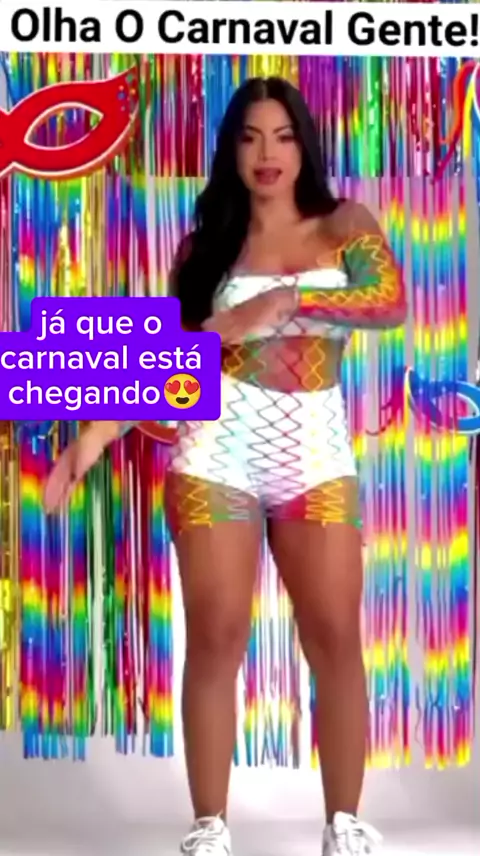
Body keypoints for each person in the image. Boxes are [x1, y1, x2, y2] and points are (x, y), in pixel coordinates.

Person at [44, 77, 407, 856]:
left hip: (316, 452)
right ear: (231, 150)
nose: (266, 152)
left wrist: (282, 304)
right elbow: (170, 363)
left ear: (304, 143)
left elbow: (389, 302)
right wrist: (91, 439)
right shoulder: (206, 245)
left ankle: (343, 824)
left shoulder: (345, 224)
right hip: (217, 453)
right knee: (216, 633)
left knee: (335, 635)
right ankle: (209, 827)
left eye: (282, 135)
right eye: (249, 137)